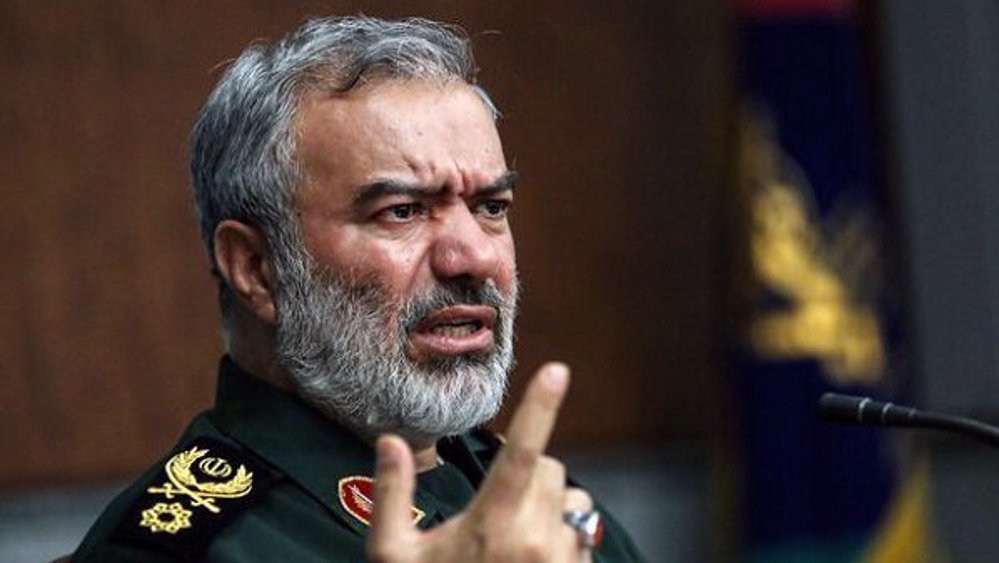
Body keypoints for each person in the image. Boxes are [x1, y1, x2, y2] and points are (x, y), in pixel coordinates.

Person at [72, 15, 645, 563]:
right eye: (402, 212)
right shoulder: (178, 548)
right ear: (256, 267)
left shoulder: (521, 490)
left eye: (491, 206)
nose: (472, 256)